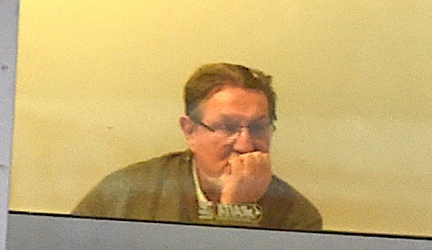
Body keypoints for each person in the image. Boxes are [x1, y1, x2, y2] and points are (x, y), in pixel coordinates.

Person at [73, 63, 323, 230]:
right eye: (227, 127)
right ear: (190, 132)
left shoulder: (297, 217)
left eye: (258, 128)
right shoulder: (125, 194)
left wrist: (236, 210)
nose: (245, 144)